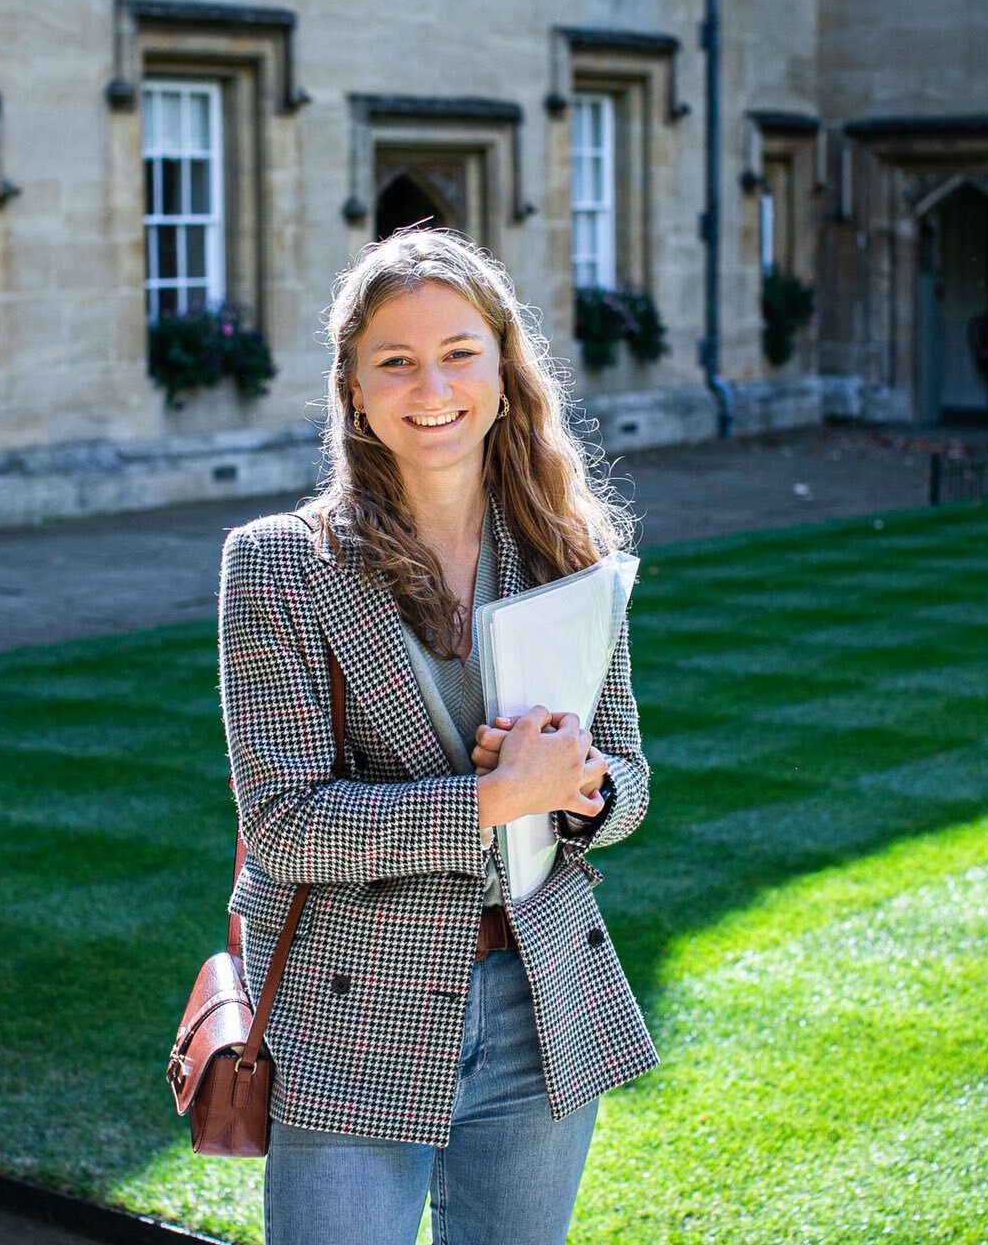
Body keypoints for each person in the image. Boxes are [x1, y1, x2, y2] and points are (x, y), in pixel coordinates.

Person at [214, 228, 658, 1245]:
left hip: (536, 1004)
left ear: (503, 370)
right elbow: (283, 827)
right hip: (351, 1011)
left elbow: (627, 777)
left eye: (459, 352)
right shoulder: (277, 564)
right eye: (395, 361)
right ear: (355, 389)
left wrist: (580, 787)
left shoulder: (566, 550)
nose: (432, 387)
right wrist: (498, 798)